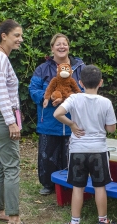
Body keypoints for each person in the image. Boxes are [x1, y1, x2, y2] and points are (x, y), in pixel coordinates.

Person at [54, 65, 117, 224]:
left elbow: (57, 114)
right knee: (100, 186)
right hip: (98, 149)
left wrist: (72, 124)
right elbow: (111, 129)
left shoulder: (74, 99)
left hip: (78, 149)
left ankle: (75, 223)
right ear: (101, 82)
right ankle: (103, 221)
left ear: (80, 82)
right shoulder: (106, 102)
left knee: (78, 187)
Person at [0, 19, 29, 224]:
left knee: (3, 165)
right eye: (16, 36)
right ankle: (14, 219)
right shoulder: (0, 58)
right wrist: (11, 122)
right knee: (12, 167)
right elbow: (2, 92)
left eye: (20, 36)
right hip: (2, 118)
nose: (20, 39)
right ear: (4, 36)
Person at [29, 33, 85, 195]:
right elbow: (33, 90)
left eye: (65, 44)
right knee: (48, 155)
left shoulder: (80, 67)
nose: (62, 47)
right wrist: (50, 96)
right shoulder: (42, 69)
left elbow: (86, 90)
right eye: (58, 44)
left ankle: (71, 185)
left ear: (69, 47)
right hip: (48, 121)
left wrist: (70, 99)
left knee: (72, 155)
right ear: (52, 48)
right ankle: (48, 184)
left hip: (73, 122)